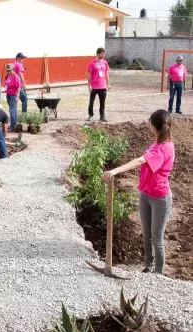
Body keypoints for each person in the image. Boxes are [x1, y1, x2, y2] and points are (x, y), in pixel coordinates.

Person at [103, 109, 174, 275]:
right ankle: (148, 266)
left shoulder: (163, 148)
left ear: (153, 126)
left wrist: (115, 171)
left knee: (157, 238)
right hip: (146, 195)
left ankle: (158, 274)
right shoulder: (158, 142)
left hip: (160, 198)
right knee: (146, 234)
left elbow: (140, 161)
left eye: (149, 122)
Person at [87, 47, 110, 122]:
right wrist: (89, 85)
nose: (103, 55)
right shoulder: (92, 63)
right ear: (97, 54)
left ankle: (102, 117)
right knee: (91, 102)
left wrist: (108, 84)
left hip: (102, 86)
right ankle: (90, 116)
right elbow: (89, 75)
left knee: (102, 103)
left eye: (104, 54)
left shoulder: (105, 62)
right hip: (94, 86)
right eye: (102, 54)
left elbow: (106, 73)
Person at [5, 63, 21, 132]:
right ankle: (13, 124)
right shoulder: (8, 76)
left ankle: (13, 126)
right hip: (8, 94)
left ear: (13, 69)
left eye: (10, 70)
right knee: (11, 110)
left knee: (12, 110)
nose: (8, 72)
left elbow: (18, 87)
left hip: (13, 95)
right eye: (7, 70)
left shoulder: (16, 76)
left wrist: (17, 96)